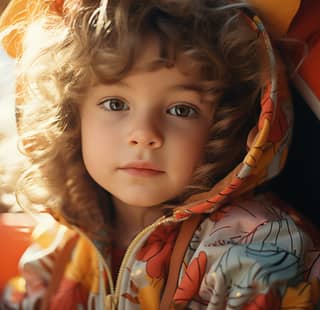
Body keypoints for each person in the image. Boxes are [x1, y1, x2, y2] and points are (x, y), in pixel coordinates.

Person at [0, 0, 319, 309]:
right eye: (116, 103)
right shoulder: (59, 246)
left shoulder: (261, 248)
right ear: (71, 116)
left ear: (224, 125)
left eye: (181, 109)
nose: (145, 134)